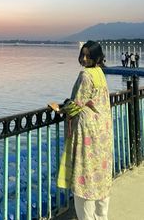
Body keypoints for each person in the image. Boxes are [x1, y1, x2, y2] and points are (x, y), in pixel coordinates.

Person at [48, 40, 112, 220]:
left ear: (96, 57)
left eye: (88, 56)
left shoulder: (85, 75)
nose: (84, 59)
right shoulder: (100, 73)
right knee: (99, 172)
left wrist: (60, 109)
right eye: (82, 55)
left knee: (84, 173)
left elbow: (76, 104)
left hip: (87, 131)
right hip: (102, 130)